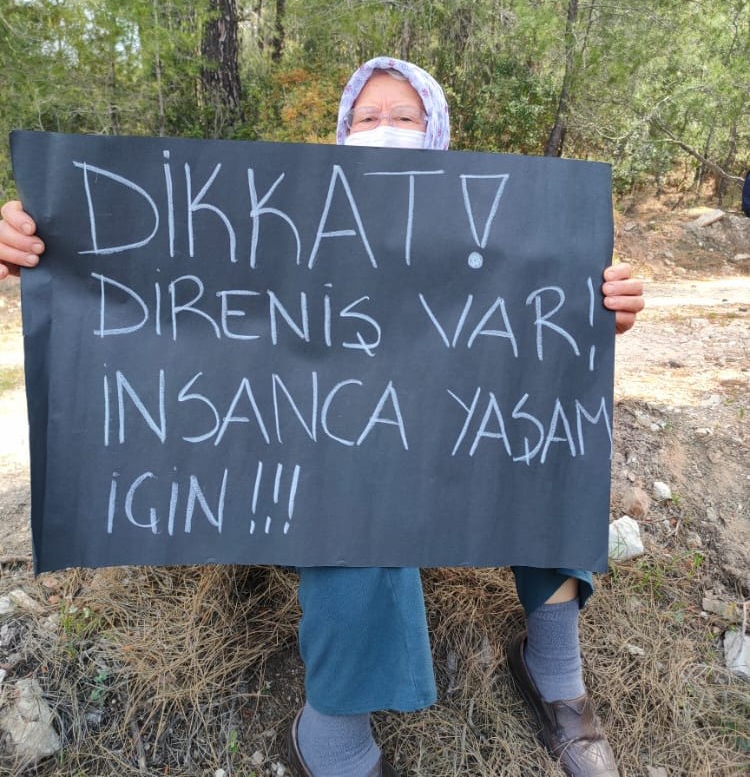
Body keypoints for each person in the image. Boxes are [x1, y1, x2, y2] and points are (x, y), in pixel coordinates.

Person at [0, 57, 644, 777]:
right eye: (367, 118)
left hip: (451, 445)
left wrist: (594, 316)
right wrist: (51, 236)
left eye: (406, 118)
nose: (386, 131)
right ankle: (333, 738)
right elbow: (170, 267)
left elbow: (541, 323)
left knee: (549, 412)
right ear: (339, 135)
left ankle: (554, 667)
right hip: (327, 454)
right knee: (357, 494)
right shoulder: (287, 224)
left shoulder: (495, 233)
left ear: (439, 133)